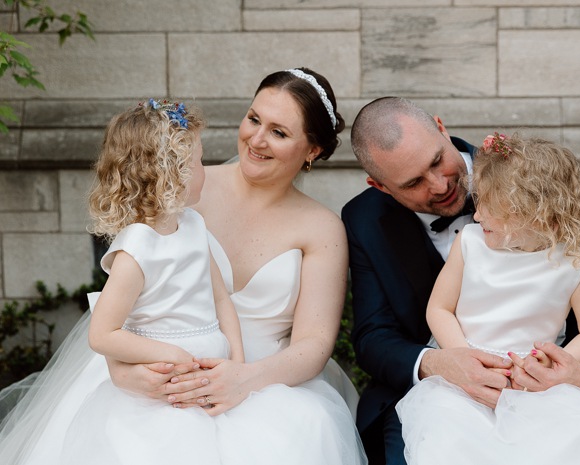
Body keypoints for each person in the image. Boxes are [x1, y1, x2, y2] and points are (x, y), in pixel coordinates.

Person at [100, 68, 367, 464]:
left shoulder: (322, 228)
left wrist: (243, 379)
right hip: (161, 373)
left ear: (311, 150)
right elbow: (126, 299)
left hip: (270, 383)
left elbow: (314, 344)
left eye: (279, 132)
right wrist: (123, 372)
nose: (256, 140)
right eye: (254, 119)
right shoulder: (184, 188)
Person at [341, 97, 580, 465]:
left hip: (540, 391)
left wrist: (579, 379)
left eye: (438, 161)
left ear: (441, 128)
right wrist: (445, 362)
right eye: (413, 183)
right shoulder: (365, 219)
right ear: (380, 186)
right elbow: (373, 335)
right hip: (436, 399)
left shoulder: (531, 180)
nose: (440, 185)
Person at [0, 98, 247, 464]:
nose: (205, 169)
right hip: (161, 389)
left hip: (214, 379)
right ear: (170, 172)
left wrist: (238, 365)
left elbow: (221, 299)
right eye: (197, 161)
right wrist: (172, 355)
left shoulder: (194, 225)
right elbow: (103, 333)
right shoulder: (137, 248)